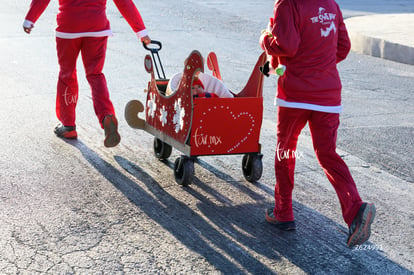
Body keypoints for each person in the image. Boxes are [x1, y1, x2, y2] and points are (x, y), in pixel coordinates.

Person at [260, 0, 376, 247]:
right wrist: (318, 64)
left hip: (296, 96)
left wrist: (264, 39)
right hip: (328, 94)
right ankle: (356, 208)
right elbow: (343, 47)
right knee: (327, 153)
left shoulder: (287, 4)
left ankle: (283, 212)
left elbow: (286, 46)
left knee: (286, 151)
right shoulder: (331, 4)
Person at [23, 0, 151, 147]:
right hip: (97, 27)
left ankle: (68, 125)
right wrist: (141, 31)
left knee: (67, 74)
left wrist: (30, 19)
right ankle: (106, 115)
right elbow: (124, 2)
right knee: (95, 74)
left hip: (68, 27)